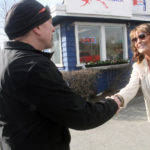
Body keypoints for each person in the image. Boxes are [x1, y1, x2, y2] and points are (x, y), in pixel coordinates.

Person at [0, 0, 122, 150]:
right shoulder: (32, 66)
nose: (53, 29)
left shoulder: (5, 58)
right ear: (37, 27)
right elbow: (81, 116)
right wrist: (113, 103)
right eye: (50, 23)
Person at [111, 23, 150, 122]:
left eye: (142, 36)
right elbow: (131, 87)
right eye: (135, 40)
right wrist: (117, 100)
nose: (138, 42)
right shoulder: (138, 66)